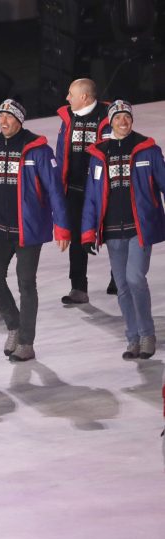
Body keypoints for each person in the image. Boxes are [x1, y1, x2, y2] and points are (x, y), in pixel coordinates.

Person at [0, 99, 70, 362]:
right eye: (0, 116)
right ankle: (14, 326)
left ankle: (26, 342)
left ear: (19, 120)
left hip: (28, 229)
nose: (3, 122)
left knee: (26, 284)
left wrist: (62, 226)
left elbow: (54, 190)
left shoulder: (37, 149)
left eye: (9, 117)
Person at [82, 100, 165, 360]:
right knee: (122, 286)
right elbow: (92, 198)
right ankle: (132, 339)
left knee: (135, 278)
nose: (123, 121)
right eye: (118, 118)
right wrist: (87, 232)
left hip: (140, 228)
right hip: (111, 231)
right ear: (110, 122)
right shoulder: (99, 155)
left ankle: (147, 335)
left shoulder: (148, 150)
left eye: (127, 117)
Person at [55, 78, 111, 305]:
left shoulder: (107, 116)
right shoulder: (68, 118)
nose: (67, 98)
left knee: (112, 233)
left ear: (85, 97)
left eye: (71, 94)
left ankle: (118, 278)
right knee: (77, 238)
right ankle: (78, 287)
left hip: (102, 188)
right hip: (75, 190)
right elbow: (61, 153)